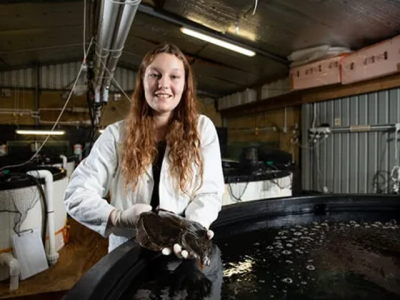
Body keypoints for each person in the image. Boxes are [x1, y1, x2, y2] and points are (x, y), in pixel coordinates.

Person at [63, 43, 225, 259]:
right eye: (155, 75)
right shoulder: (116, 135)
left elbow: (210, 191)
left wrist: (194, 229)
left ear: (185, 85)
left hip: (181, 250)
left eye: (174, 77)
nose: (163, 84)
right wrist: (118, 217)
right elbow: (76, 194)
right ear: (142, 81)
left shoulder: (202, 130)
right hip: (128, 250)